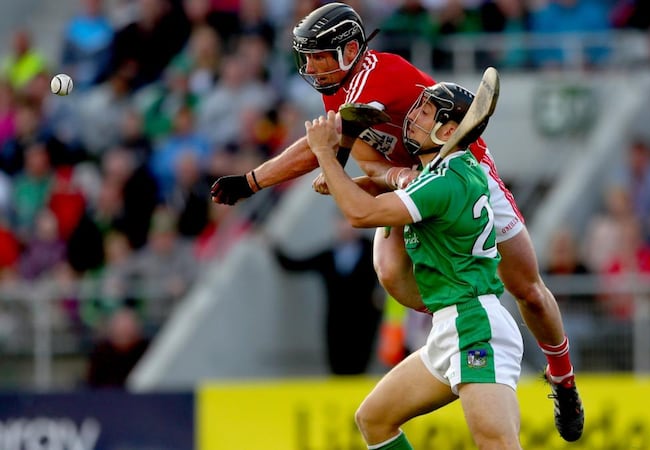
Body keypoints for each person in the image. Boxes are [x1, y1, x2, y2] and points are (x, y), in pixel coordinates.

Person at [209, 3, 583, 440]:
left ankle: (563, 377)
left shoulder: (377, 77)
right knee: (388, 275)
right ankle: (458, 317)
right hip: (413, 184)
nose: (310, 67)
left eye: (318, 56)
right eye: (306, 56)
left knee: (529, 291)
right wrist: (391, 176)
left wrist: (254, 180)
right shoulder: (338, 89)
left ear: (350, 50)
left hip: (458, 172)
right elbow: (362, 159)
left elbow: (323, 152)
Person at [307, 81, 524, 449]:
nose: (413, 116)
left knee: (497, 443)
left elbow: (362, 215)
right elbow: (395, 190)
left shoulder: (441, 180)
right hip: (450, 324)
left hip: (474, 325)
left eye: (426, 112)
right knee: (374, 419)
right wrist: (355, 181)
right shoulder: (452, 169)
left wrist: (326, 155)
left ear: (450, 131)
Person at [271, 214, 384, 375]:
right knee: (337, 365)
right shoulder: (328, 255)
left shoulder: (372, 251)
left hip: (363, 321)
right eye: (342, 222)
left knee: (360, 365)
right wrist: (273, 246)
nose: (346, 227)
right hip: (336, 321)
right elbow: (293, 264)